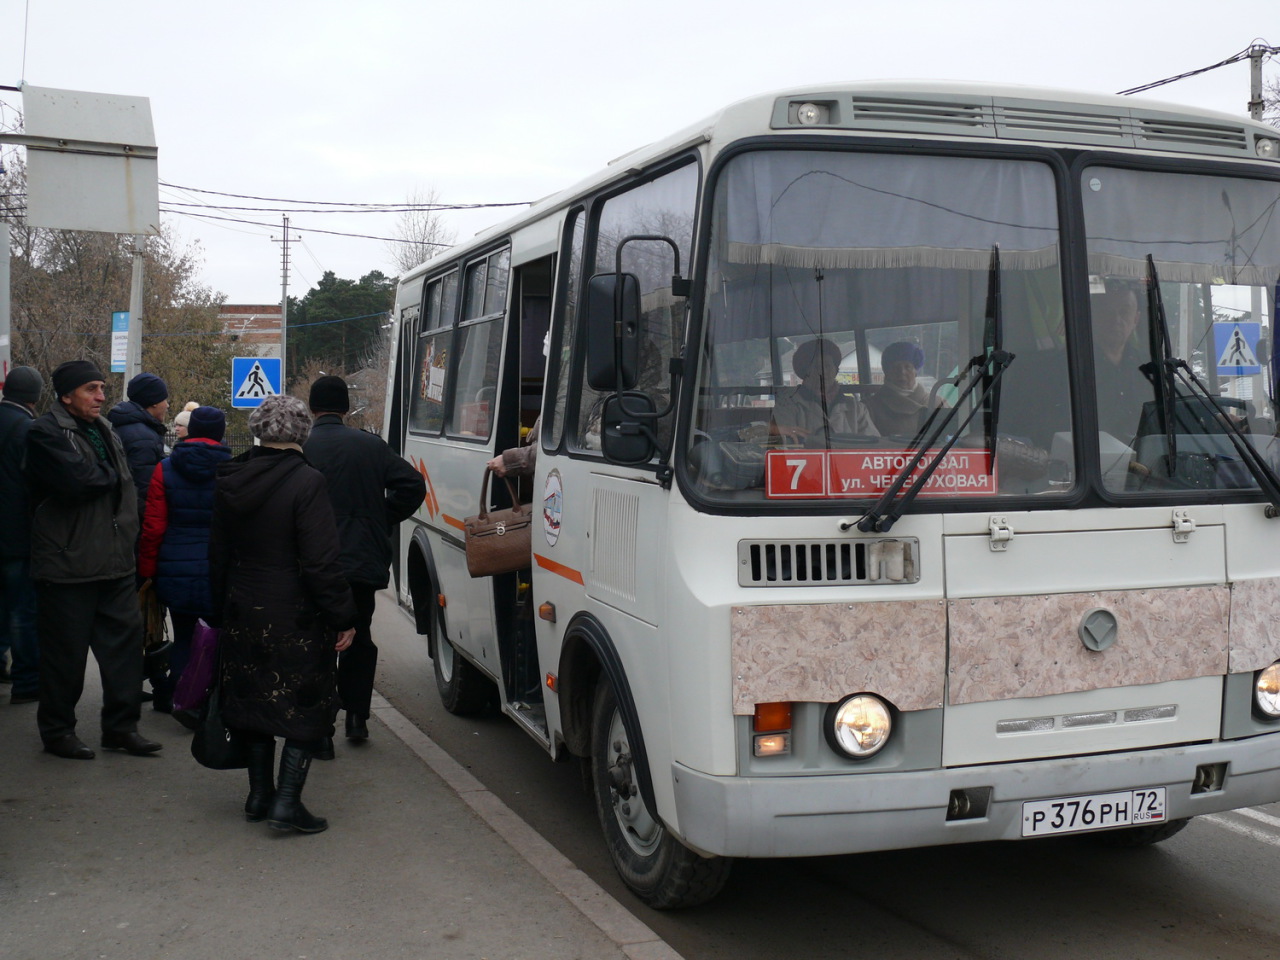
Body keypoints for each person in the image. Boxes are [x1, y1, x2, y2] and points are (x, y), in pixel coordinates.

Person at [210, 394, 357, 833]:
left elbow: (216, 553)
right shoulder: (306, 481)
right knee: (304, 704)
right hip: (294, 614)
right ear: (301, 432)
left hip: (242, 606)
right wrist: (342, 615)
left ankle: (259, 795)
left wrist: (219, 609)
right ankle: (287, 803)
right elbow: (320, 560)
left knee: (254, 701)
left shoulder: (231, 476)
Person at [24, 360, 162, 759]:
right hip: (68, 565)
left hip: (115, 563)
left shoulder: (104, 429)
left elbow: (119, 481)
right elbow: (78, 483)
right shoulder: (46, 431)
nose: (101, 396)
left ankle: (121, 728)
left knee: (124, 653)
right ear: (66, 395)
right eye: (90, 389)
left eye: (101, 387)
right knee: (64, 658)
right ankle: (57, 732)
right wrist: (106, 476)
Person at [304, 376, 425, 748]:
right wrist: (380, 517)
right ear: (345, 409)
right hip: (360, 562)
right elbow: (413, 485)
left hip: (313, 562)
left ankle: (319, 727)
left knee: (315, 640)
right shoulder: (370, 446)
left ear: (312, 408)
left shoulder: (301, 447)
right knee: (359, 635)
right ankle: (356, 718)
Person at [138, 406, 232, 712]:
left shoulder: (164, 469)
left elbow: (153, 527)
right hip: (219, 567)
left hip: (175, 565)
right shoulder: (234, 470)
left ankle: (178, 697)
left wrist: (148, 571)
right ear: (220, 433)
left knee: (183, 636)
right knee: (216, 635)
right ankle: (208, 699)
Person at [107, 371, 172, 706]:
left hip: (117, 532)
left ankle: (132, 684)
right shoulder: (144, 438)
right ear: (151, 402)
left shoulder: (118, 425)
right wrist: (150, 542)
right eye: (163, 399)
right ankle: (148, 687)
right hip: (137, 537)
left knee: (127, 615)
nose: (166, 405)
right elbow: (146, 495)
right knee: (145, 616)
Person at [0, 366, 44, 705]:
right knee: (22, 611)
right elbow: (37, 484)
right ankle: (27, 681)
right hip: (16, 534)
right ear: (36, 395)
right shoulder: (27, 429)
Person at [771, 337, 879, 444]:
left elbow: (874, 445)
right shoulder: (786, 405)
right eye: (816, 366)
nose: (822, 372)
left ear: (836, 371)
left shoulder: (856, 408)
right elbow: (784, 446)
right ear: (804, 371)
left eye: (827, 366)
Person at [1092, 284, 1151, 441]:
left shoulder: (1149, 367)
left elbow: (1180, 399)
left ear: (1136, 319)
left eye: (1124, 311)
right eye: (1107, 312)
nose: (1116, 319)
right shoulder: (1070, 365)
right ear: (1094, 315)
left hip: (1145, 461)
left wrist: (1214, 415)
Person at [867, 341, 945, 436]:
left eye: (907, 367)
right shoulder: (869, 407)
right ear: (886, 371)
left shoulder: (938, 403)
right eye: (896, 367)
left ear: (916, 371)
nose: (902, 372)